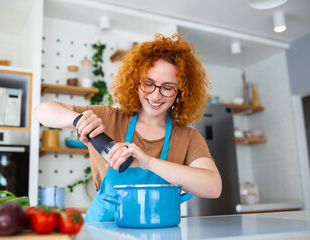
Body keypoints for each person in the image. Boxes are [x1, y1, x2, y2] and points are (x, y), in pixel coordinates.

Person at [34, 33, 222, 222]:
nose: (156, 96)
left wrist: (148, 162)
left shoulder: (188, 137)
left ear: (180, 92)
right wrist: (79, 121)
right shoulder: (109, 118)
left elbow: (213, 187)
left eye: (167, 87)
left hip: (158, 231)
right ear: (135, 82)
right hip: (102, 232)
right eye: (148, 84)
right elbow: (43, 111)